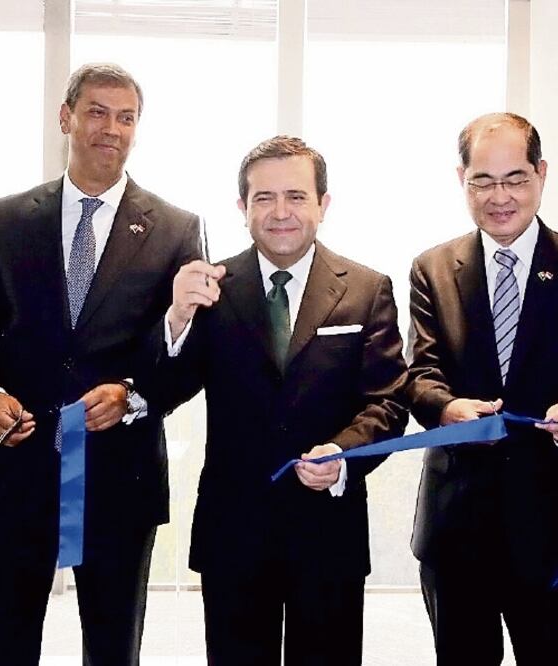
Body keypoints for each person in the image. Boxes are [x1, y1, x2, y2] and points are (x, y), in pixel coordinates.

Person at [0, 63, 204, 665]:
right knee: (4, 645)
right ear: (65, 118)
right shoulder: (8, 219)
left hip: (121, 476)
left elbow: (190, 357)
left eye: (125, 117)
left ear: (137, 129)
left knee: (114, 649)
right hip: (19, 469)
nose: (110, 128)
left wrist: (133, 393)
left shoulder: (176, 229)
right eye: (96, 111)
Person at [153, 136, 408, 665]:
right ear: (242, 208)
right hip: (234, 532)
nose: (281, 212)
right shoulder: (209, 289)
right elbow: (163, 391)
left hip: (328, 531)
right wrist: (176, 320)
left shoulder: (366, 288)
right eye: (264, 198)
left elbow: (386, 403)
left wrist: (342, 456)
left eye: (296, 195)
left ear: (323, 204)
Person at [405, 112, 558, 665]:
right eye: (482, 181)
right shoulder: (432, 268)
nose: (499, 196)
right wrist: (447, 409)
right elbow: (418, 374)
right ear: (461, 179)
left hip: (556, 521)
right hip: (457, 525)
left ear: (541, 174)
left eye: (515, 178)